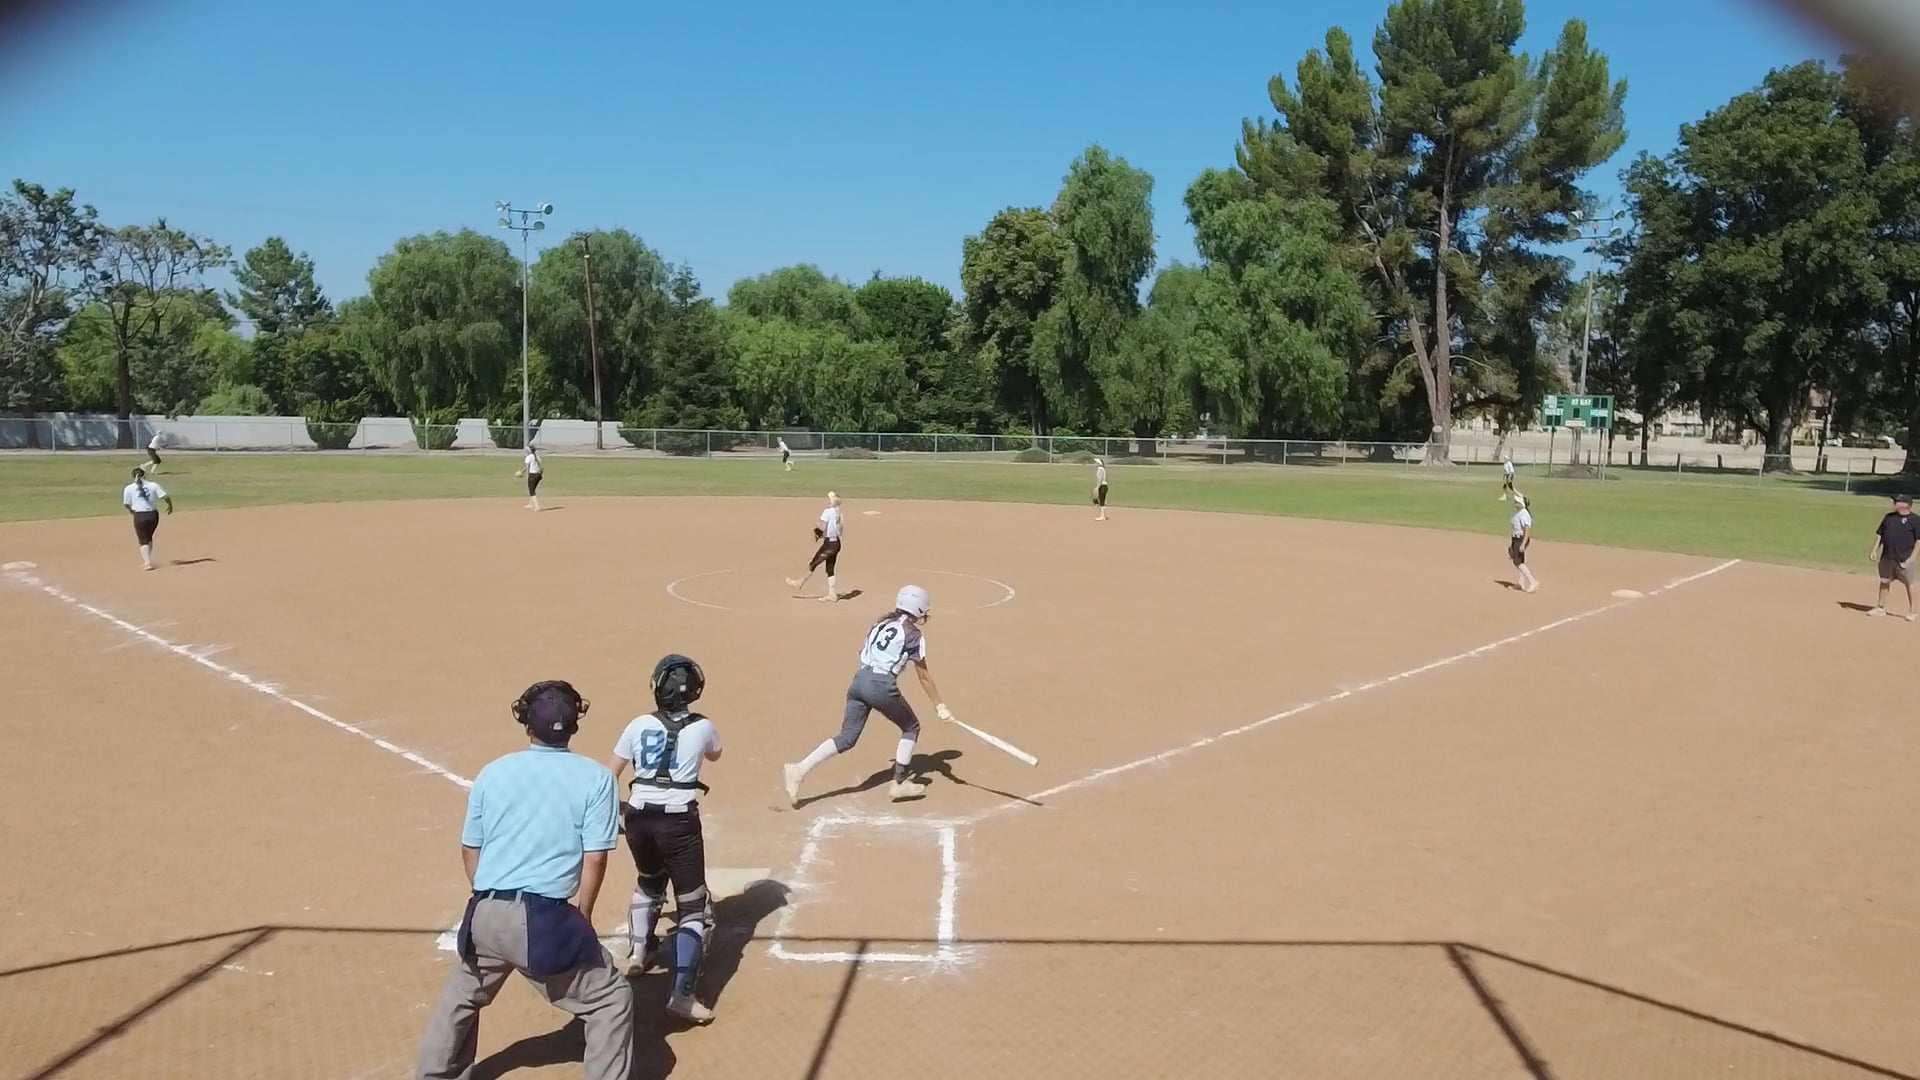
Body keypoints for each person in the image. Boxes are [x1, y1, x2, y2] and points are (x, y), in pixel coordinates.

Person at [416, 681, 632, 1080]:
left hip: (484, 912)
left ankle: (434, 1075)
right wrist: (582, 917)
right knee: (611, 999)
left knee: (463, 996)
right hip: (543, 920)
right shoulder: (597, 778)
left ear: (526, 723)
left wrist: (488, 899)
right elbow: (595, 857)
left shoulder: (493, 772)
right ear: (573, 724)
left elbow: (470, 848)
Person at [608, 655, 723, 1024]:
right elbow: (715, 755)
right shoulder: (703, 727)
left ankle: (638, 955)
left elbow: (609, 774)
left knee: (649, 881)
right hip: (679, 822)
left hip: (639, 817)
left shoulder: (637, 724)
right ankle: (682, 995)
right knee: (693, 905)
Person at [783, 585, 953, 807]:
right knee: (911, 727)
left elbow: (863, 652)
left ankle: (799, 770)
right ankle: (899, 783)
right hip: (880, 686)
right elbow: (924, 676)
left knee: (846, 737)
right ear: (920, 609)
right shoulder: (913, 635)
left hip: (858, 681)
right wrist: (939, 705)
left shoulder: (880, 623)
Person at [1869, 493, 1920, 620]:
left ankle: (1912, 611)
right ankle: (1881, 607)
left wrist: (1912, 558)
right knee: (1884, 581)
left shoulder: (1915, 520)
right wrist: (1874, 550)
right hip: (1888, 557)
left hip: (1905, 558)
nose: (1894, 503)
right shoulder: (1889, 518)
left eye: (1897, 501)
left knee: (1909, 584)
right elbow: (1880, 534)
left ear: (1906, 505)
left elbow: (1918, 541)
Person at [786, 491, 844, 603]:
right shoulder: (838, 513)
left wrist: (817, 524)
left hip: (829, 545)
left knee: (813, 563)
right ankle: (832, 595)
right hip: (836, 543)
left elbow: (822, 528)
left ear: (831, 502)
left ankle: (799, 583)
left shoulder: (827, 512)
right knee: (830, 568)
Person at [122, 467, 173, 572]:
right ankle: (147, 559)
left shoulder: (129, 488)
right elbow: (165, 496)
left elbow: (126, 504)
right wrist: (170, 506)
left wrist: (131, 511)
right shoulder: (153, 485)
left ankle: (147, 562)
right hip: (153, 515)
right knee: (148, 537)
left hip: (139, 515)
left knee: (143, 540)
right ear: (144, 475)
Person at [1508, 492, 1538, 593]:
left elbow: (1527, 530)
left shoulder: (1524, 514)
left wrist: (1523, 544)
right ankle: (1521, 583)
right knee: (1519, 561)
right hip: (1515, 538)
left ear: (1521, 504)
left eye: (1517, 502)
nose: (1515, 503)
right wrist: (1512, 543)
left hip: (1521, 539)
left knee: (1518, 562)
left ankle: (1533, 581)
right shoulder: (1518, 513)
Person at [514, 444, 544, 512]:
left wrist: (523, 474)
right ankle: (531, 504)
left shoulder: (529, 457)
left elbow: (527, 467)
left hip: (532, 475)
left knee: (532, 491)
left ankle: (537, 506)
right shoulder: (537, 456)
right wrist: (522, 472)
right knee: (533, 489)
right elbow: (540, 467)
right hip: (538, 475)